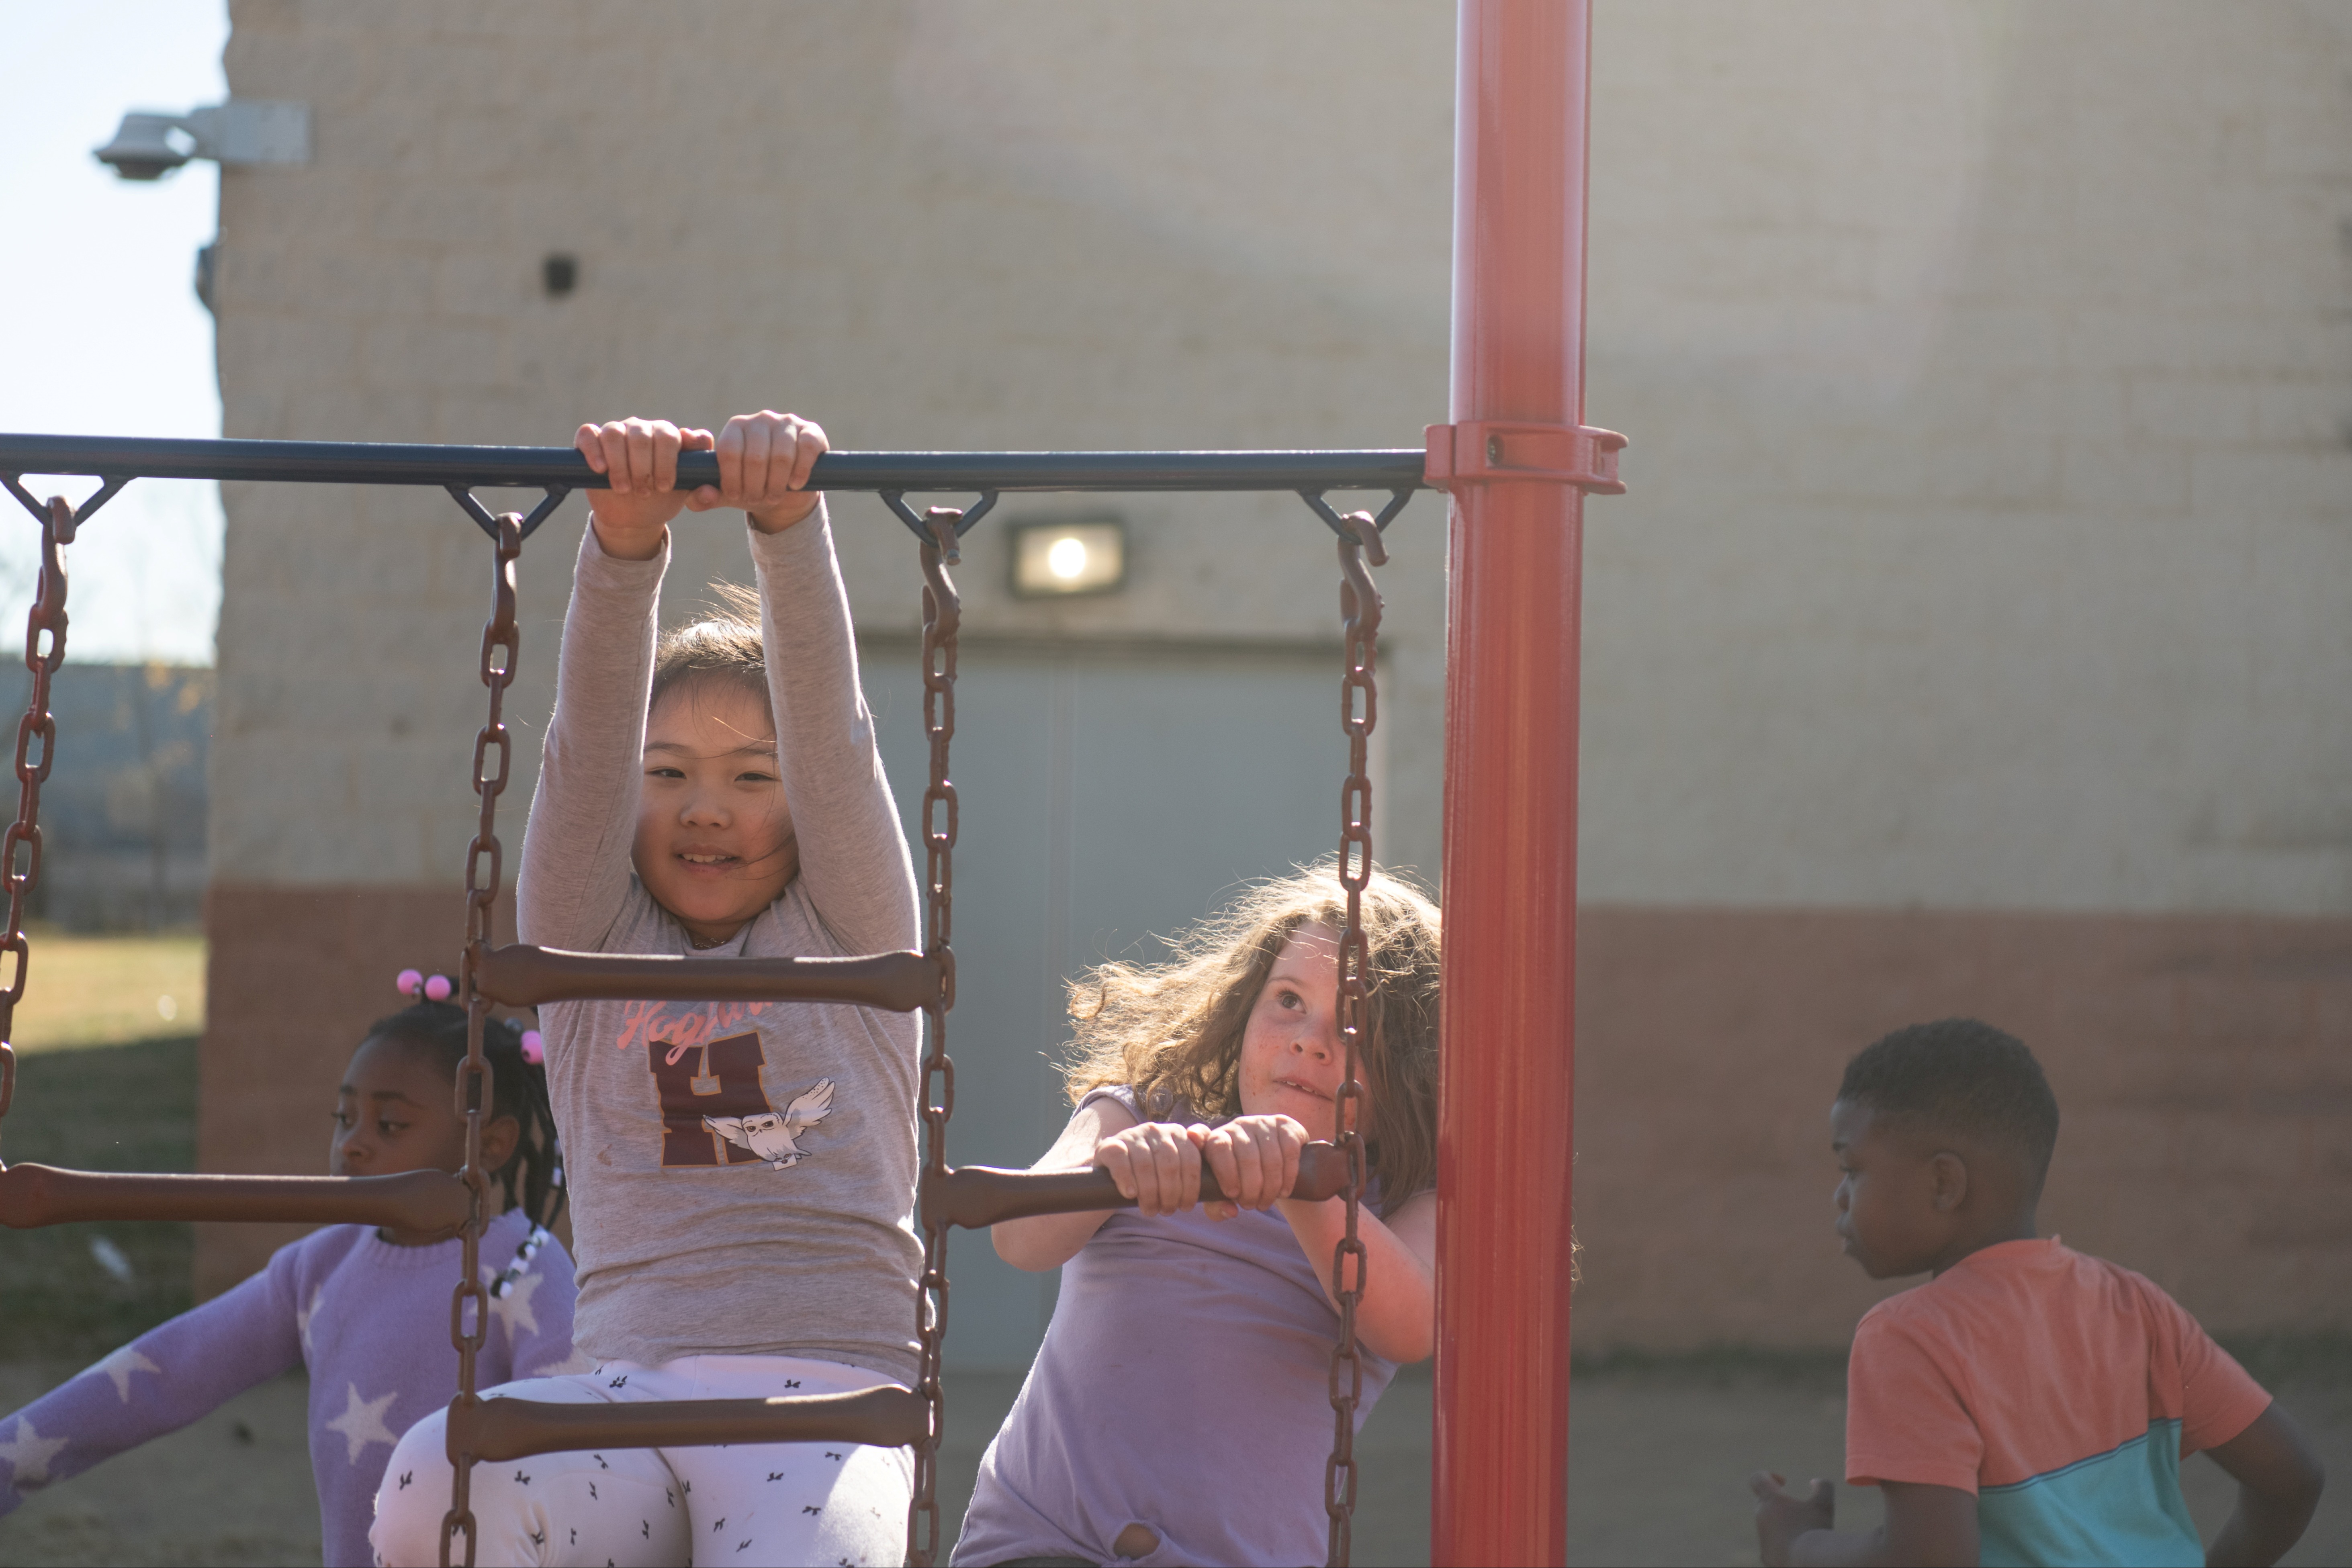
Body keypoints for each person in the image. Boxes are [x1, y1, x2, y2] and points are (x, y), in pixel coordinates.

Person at [372, 412, 922, 1568]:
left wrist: (790, 525)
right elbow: (580, 753)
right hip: (621, 1390)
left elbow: (838, 732)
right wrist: (622, 549)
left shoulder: (851, 938)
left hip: (823, 1398)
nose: (703, 808)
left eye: (749, 778)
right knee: (438, 1480)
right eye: (665, 776)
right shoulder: (582, 945)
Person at [953, 867, 1442, 1568]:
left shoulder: (1396, 1202)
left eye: (1354, 1025)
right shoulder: (1139, 1111)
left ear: (1410, 1065)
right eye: (1287, 1001)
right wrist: (1118, 1164)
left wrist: (1301, 1184)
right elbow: (1021, 1237)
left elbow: (1408, 1326)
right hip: (1040, 1543)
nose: (1309, 1040)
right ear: (1242, 1012)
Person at [0, 988, 576, 1568]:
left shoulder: (525, 1268)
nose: (352, 1144)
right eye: (344, 1119)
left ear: (492, 1144)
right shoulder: (319, 1267)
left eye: (391, 1124)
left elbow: (571, 1454)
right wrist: (11, 1454)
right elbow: (172, 1368)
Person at [1751, 1018, 2325, 1568]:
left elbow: (1928, 1558)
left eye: (1851, 1168)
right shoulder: (2136, 1305)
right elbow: (2293, 1477)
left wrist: (1795, 1547)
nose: (1840, 1197)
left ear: (1943, 1183)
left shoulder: (1908, 1336)